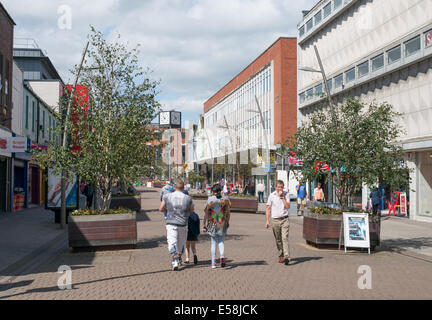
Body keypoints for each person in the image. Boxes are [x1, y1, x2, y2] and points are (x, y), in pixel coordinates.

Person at [159, 180, 194, 271]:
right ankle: (178, 258)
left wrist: (168, 211)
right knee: (181, 242)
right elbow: (192, 210)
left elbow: (161, 208)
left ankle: (174, 258)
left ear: (174, 187)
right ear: (183, 188)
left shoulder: (167, 196)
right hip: (183, 223)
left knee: (171, 241)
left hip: (171, 222)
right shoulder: (188, 198)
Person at [203, 184, 231, 269]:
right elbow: (228, 212)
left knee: (213, 242)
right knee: (221, 241)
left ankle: (213, 263)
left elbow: (206, 212)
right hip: (222, 221)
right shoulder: (225, 199)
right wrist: (227, 222)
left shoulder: (210, 199)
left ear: (213, 191)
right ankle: (222, 256)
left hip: (212, 221)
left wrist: (204, 224)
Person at [265, 180, 291, 265]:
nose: (280, 189)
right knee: (278, 239)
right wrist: (267, 221)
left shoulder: (286, 194)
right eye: (278, 187)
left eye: (281, 187)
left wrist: (282, 197)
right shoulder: (271, 195)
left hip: (285, 219)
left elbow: (287, 206)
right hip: (275, 220)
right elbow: (268, 208)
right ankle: (281, 255)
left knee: (284, 237)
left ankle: (286, 256)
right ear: (275, 187)